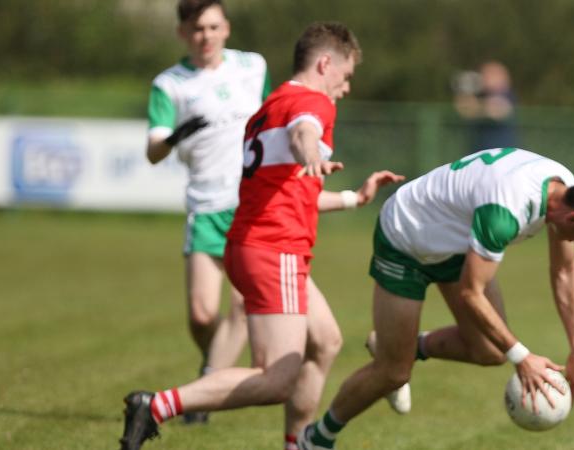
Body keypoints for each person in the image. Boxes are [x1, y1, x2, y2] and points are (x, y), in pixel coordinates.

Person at [120, 21, 404, 450]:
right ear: (325, 64)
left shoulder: (270, 105)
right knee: (276, 379)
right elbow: (304, 132)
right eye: (345, 76)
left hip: (251, 244)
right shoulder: (312, 103)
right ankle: (156, 405)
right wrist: (311, 153)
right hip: (276, 250)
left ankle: (297, 445)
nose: (345, 88)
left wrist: (352, 198)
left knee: (325, 341)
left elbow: (290, 190)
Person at [298, 147, 574, 449]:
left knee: (490, 350)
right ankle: (316, 438)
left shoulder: (567, 190)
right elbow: (471, 293)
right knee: (394, 373)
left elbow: (564, 272)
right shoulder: (506, 210)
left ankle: (407, 346)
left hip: (459, 242)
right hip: (406, 238)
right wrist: (523, 357)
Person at [144, 0, 271, 424]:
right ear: (183, 33)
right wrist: (175, 136)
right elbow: (153, 152)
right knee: (201, 315)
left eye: (214, 27)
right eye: (198, 29)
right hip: (205, 206)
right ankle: (212, 362)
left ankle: (204, 390)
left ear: (227, 28)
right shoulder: (170, 84)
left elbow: (276, 119)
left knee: (242, 307)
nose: (206, 36)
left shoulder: (252, 67)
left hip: (251, 204)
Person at [453, 60, 519, 151]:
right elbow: (464, 110)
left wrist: (476, 107)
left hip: (502, 152)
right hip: (479, 151)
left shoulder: (507, 94)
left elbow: (497, 111)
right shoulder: (481, 95)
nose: (484, 78)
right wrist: (465, 92)